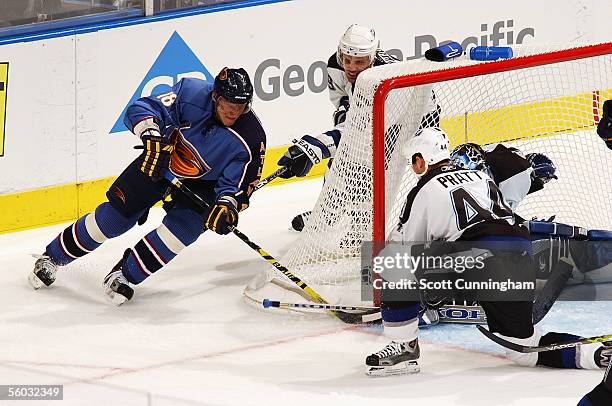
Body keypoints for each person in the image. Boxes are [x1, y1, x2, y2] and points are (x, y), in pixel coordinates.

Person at [365, 127, 610, 376]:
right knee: (524, 348)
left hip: (480, 260)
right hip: (520, 255)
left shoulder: (424, 189)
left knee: (392, 261)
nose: (413, 167)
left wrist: (391, 295)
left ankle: (405, 345)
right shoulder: (480, 177)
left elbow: (401, 246)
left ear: (422, 159)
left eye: (413, 161)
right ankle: (597, 354)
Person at [28, 67, 266, 305]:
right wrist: (151, 136)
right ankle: (52, 258)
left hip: (204, 185)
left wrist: (227, 205)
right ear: (215, 96)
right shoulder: (190, 92)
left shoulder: (251, 138)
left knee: (180, 232)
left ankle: (124, 275)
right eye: (228, 104)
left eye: (241, 106)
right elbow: (142, 108)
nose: (234, 112)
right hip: (161, 161)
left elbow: (239, 185)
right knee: (115, 219)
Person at [278, 23, 440, 231]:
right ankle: (326, 213)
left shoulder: (383, 80)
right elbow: (342, 100)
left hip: (416, 118)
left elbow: (358, 131)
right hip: (378, 116)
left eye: (360, 62)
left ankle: (363, 224)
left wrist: (314, 148)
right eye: (347, 59)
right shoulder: (335, 65)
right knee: (344, 159)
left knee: (370, 166)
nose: (351, 67)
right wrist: (344, 114)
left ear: (372, 58)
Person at [450, 142, 557, 211]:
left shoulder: (507, 149)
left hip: (455, 164)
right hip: (468, 187)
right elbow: (503, 212)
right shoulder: (524, 177)